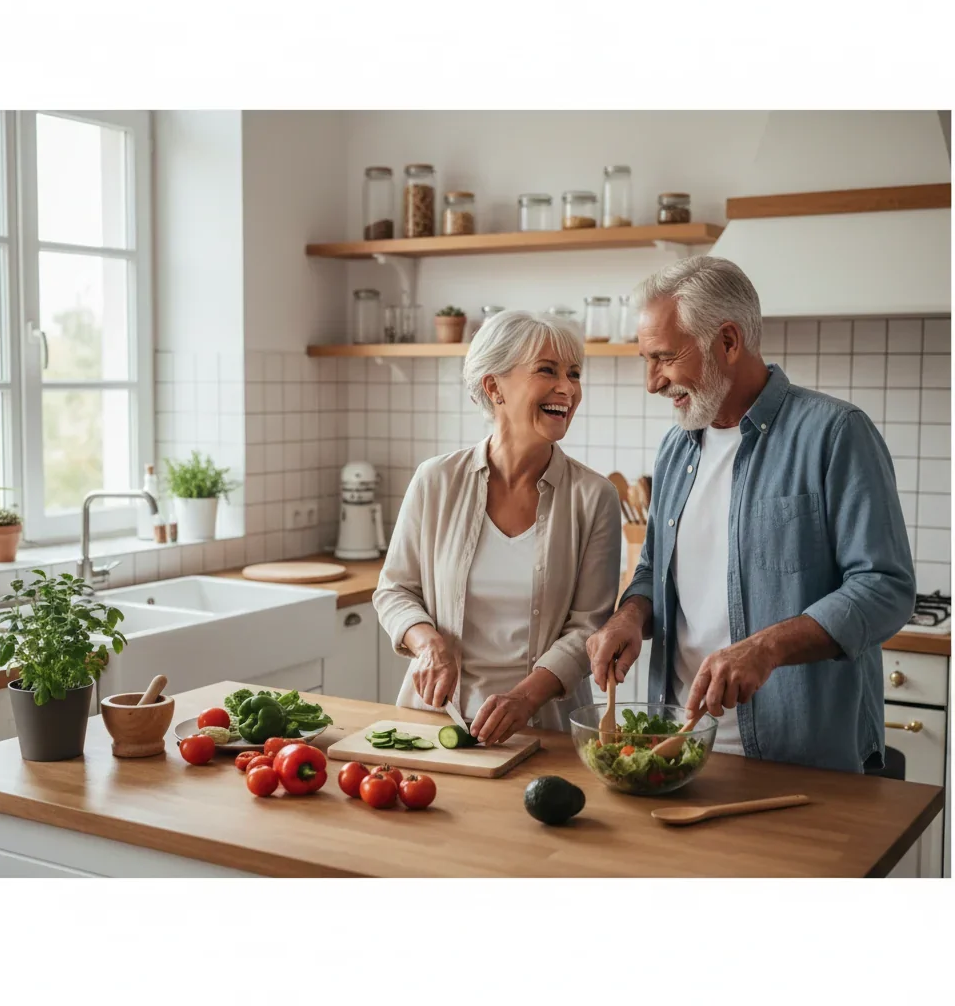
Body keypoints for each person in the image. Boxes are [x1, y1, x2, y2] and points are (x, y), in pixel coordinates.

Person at [586, 256, 915, 773]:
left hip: (801, 761)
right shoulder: (676, 447)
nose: (652, 383)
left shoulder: (835, 434)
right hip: (680, 750)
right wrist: (629, 616)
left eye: (665, 358)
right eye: (646, 360)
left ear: (729, 341)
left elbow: (885, 588)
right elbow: (652, 569)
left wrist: (766, 647)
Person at [374, 310, 621, 745]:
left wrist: (524, 699)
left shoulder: (594, 497)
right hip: (434, 721)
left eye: (574, 373)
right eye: (547, 370)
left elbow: (588, 628)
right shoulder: (436, 480)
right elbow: (395, 591)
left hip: (543, 729)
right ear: (494, 387)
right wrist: (429, 644)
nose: (567, 388)